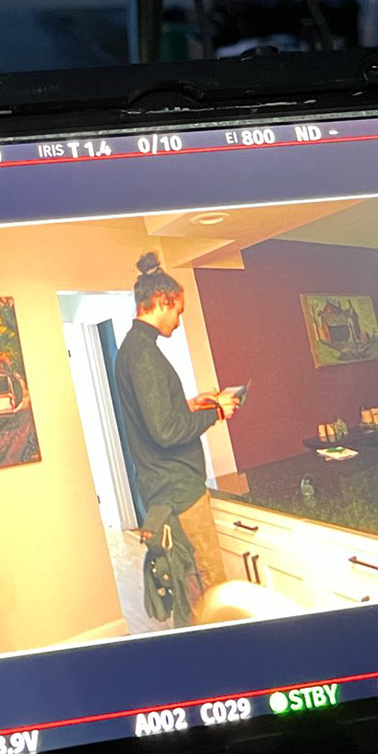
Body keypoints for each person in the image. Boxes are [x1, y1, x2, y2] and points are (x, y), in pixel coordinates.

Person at [113, 253, 241, 616]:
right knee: (208, 590)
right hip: (179, 494)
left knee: (191, 588)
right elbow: (166, 432)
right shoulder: (143, 355)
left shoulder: (134, 349)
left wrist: (189, 405)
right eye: (178, 311)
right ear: (161, 301)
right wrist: (216, 412)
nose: (180, 321)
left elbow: (154, 415)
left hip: (165, 490)